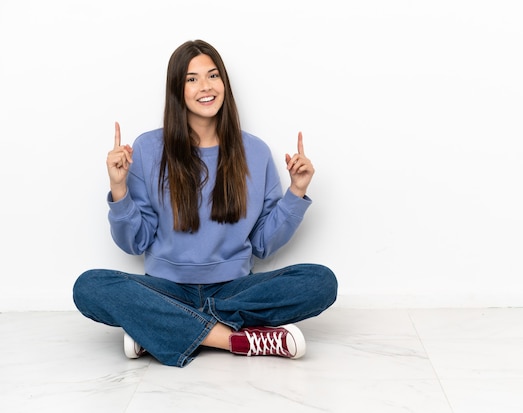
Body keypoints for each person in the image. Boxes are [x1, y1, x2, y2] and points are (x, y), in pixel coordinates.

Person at [73, 39, 338, 368]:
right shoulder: (147, 148)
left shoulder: (255, 152)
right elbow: (134, 242)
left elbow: (263, 244)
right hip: (167, 289)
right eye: (191, 79)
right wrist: (118, 189)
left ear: (224, 83)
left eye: (213, 76)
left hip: (233, 290)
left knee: (320, 281)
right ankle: (233, 339)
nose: (205, 87)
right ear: (177, 89)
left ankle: (161, 327)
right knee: (89, 286)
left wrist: (296, 192)